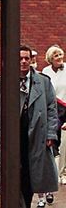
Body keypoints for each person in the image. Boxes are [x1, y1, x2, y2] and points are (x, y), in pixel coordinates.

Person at [0, 45, 59, 208]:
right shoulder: (2, 83)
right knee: (11, 171)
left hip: (36, 136)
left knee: (30, 173)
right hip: (11, 135)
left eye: (27, 58)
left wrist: (51, 134)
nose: (24, 62)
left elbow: (51, 109)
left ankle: (25, 207)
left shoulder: (43, 82)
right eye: (20, 59)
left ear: (31, 60)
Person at [40, 45, 66, 188]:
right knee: (53, 143)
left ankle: (64, 173)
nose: (60, 58)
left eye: (61, 54)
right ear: (50, 59)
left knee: (65, 145)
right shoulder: (46, 72)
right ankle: (54, 173)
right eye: (56, 55)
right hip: (53, 111)